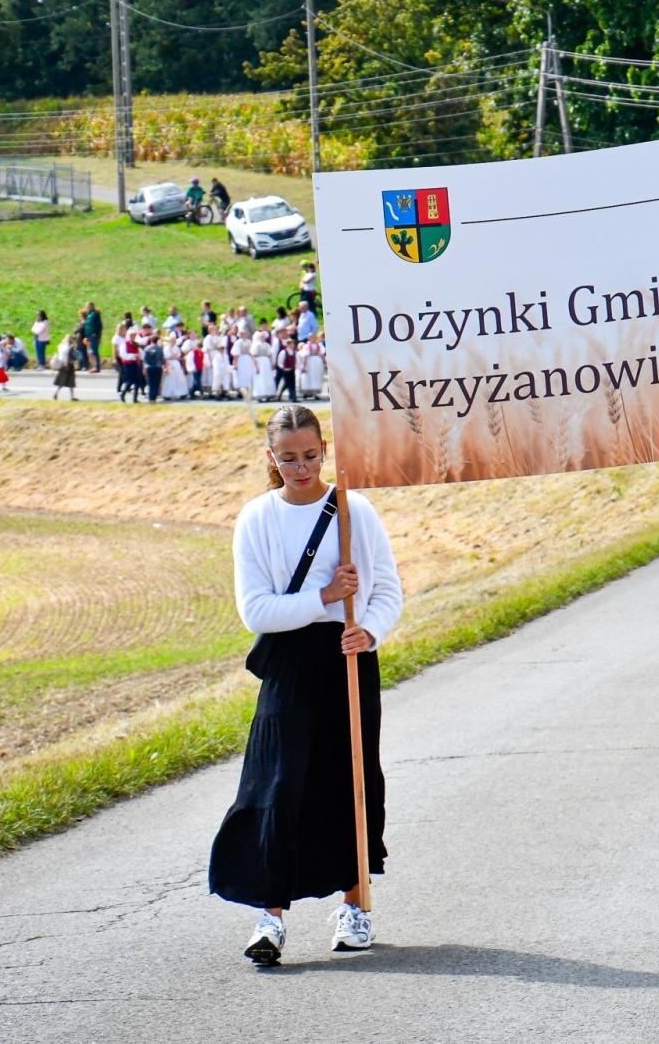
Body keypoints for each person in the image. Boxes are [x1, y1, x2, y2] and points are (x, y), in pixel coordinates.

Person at [209, 404, 404, 965]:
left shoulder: (354, 510)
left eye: (311, 456)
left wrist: (368, 630)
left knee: (351, 781)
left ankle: (355, 907)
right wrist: (322, 597)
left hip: (347, 656)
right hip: (290, 664)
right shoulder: (256, 518)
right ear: (272, 458)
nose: (301, 467)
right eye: (288, 458)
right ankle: (269, 917)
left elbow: (387, 588)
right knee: (276, 784)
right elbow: (257, 612)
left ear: (325, 452)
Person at [52, 335, 78, 401]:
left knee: (61, 381)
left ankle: (56, 393)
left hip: (62, 365)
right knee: (71, 382)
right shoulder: (70, 348)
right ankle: (72, 397)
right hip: (69, 365)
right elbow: (72, 357)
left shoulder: (61, 346)